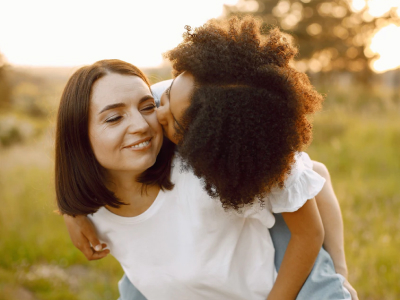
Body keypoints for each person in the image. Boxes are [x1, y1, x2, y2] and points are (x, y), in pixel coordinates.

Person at [62, 16, 357, 299]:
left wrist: (340, 274)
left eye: (150, 110)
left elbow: (313, 175)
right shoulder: (161, 95)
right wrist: (71, 209)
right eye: (115, 118)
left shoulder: (216, 148)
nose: (147, 121)